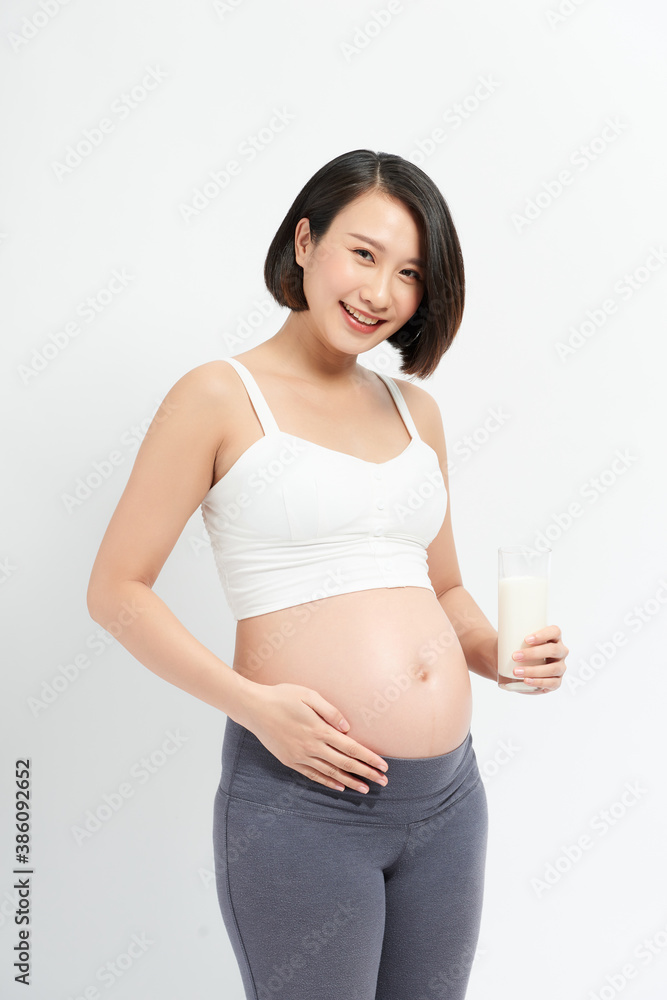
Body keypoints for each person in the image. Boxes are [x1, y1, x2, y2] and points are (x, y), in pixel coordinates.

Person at [87, 148, 569, 999]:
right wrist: (256, 707)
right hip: (302, 802)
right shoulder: (217, 395)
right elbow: (116, 591)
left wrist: (500, 654)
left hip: (450, 800)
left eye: (410, 272)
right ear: (305, 242)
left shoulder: (414, 410)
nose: (380, 292)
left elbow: (445, 591)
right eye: (364, 253)